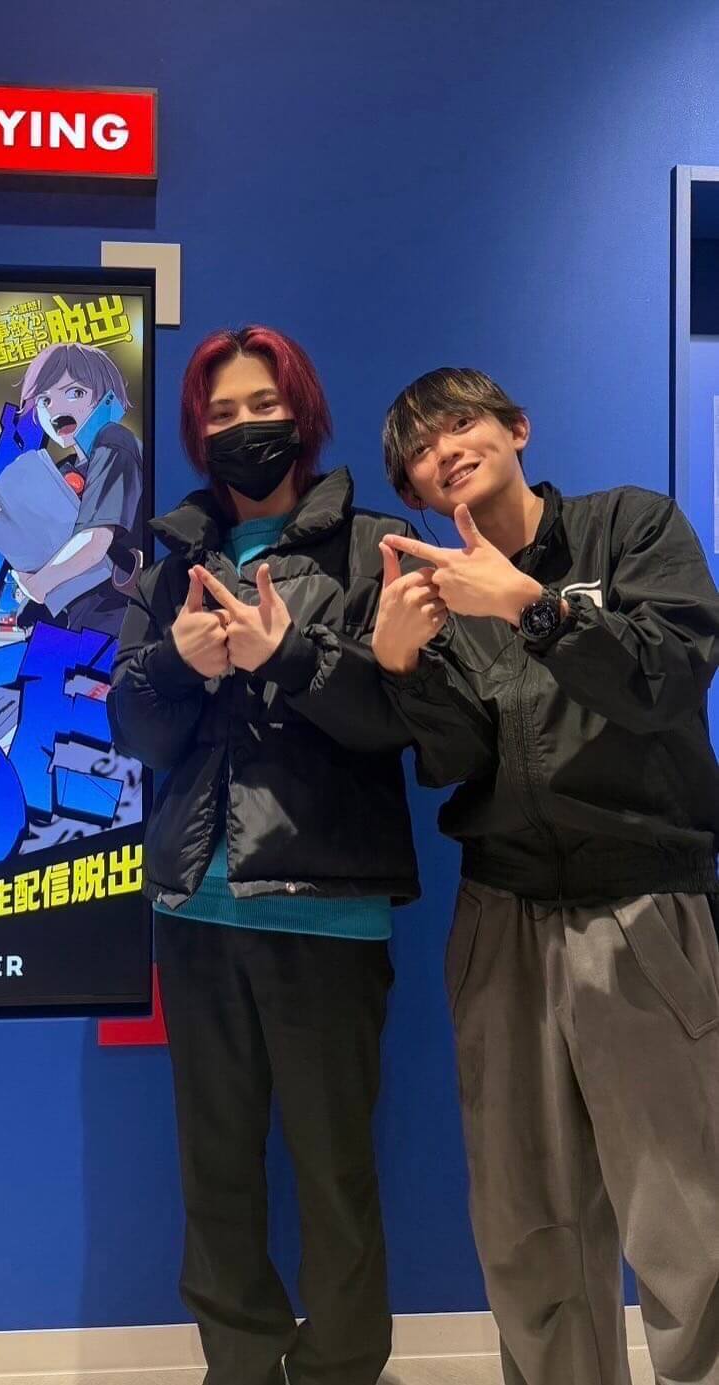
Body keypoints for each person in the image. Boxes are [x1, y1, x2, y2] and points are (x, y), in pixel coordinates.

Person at [373, 366, 719, 1385]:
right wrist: (401, 669)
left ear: (516, 428)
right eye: (421, 453)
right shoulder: (439, 598)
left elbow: (670, 677)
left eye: (461, 424)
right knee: (528, 1231)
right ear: (414, 491)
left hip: (645, 904)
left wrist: (534, 608)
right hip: (502, 918)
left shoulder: (630, 528)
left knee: (689, 1217)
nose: (445, 452)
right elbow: (454, 759)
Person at [108, 326, 432, 1385]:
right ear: (196, 431)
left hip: (326, 909)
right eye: (221, 412)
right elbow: (136, 735)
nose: (244, 427)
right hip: (194, 912)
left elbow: (405, 720)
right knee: (214, 1167)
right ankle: (238, 1363)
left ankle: (340, 1366)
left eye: (262, 405)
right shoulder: (172, 567)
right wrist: (176, 665)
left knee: (335, 1168)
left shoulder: (373, 547)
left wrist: (287, 654)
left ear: (302, 412)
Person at [0, 342, 143, 635]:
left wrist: (38, 585)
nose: (56, 410)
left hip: (115, 618)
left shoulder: (114, 441)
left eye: (75, 393)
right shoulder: (63, 471)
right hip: (74, 621)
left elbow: (95, 541)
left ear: (106, 397)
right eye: (45, 400)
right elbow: (32, 548)